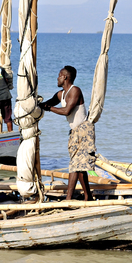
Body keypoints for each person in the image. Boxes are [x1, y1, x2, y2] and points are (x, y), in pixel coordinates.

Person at [40, 66, 95, 201]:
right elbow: (48, 103)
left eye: (59, 75)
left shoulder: (75, 91)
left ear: (65, 77)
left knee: (75, 165)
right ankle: (88, 196)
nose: (57, 78)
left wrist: (49, 108)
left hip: (84, 130)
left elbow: (66, 111)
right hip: (74, 131)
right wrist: (37, 105)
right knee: (80, 167)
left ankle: (69, 198)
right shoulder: (61, 94)